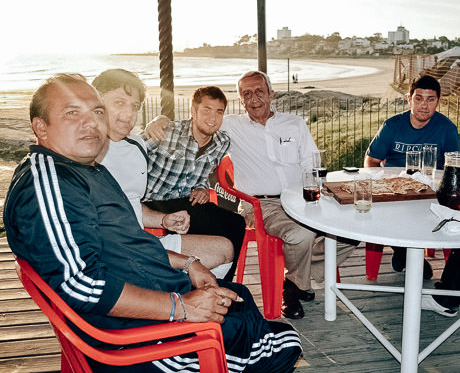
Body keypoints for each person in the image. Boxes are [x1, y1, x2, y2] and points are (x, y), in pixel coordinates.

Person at [3, 73, 302, 373]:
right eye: (72, 113)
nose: (91, 123)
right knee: (273, 344)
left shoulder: (85, 169)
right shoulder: (49, 183)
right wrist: (182, 306)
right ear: (41, 127)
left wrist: (187, 264)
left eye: (96, 111)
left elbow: (129, 238)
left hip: (149, 284)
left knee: (242, 298)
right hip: (135, 338)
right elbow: (84, 287)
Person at [146, 71, 358, 320]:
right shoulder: (230, 125)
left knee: (350, 231)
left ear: (271, 94)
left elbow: (311, 163)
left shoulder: (294, 123)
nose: (254, 98)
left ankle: (295, 277)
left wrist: (317, 193)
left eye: (259, 91)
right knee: (301, 234)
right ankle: (294, 286)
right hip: (263, 203)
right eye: (246, 93)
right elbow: (200, 118)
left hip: (303, 197)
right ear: (241, 100)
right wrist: (159, 120)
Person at [92, 69, 233, 278]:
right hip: (117, 257)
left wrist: (163, 220)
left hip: (144, 238)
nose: (129, 114)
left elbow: (129, 203)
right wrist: (159, 121)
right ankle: (188, 297)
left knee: (225, 247)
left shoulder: (134, 147)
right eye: (119, 102)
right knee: (232, 298)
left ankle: (196, 294)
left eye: (135, 106)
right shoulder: (83, 153)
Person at [141, 86, 246, 282]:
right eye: (206, 110)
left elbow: (205, 172)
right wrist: (153, 123)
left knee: (236, 223)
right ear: (193, 111)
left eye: (219, 112)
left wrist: (203, 188)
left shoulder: (221, 143)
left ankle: (223, 284)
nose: (212, 118)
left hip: (187, 200)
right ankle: (190, 281)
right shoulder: (169, 132)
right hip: (154, 200)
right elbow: (132, 151)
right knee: (197, 224)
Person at [364, 74, 459, 281]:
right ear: (409, 99)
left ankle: (405, 254)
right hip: (396, 191)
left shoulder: (447, 129)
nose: (424, 105)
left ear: (438, 101)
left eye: (430, 99)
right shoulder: (392, 126)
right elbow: (371, 161)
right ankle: (405, 254)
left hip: (432, 191)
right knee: (383, 215)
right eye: (418, 98)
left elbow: (455, 167)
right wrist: (381, 184)